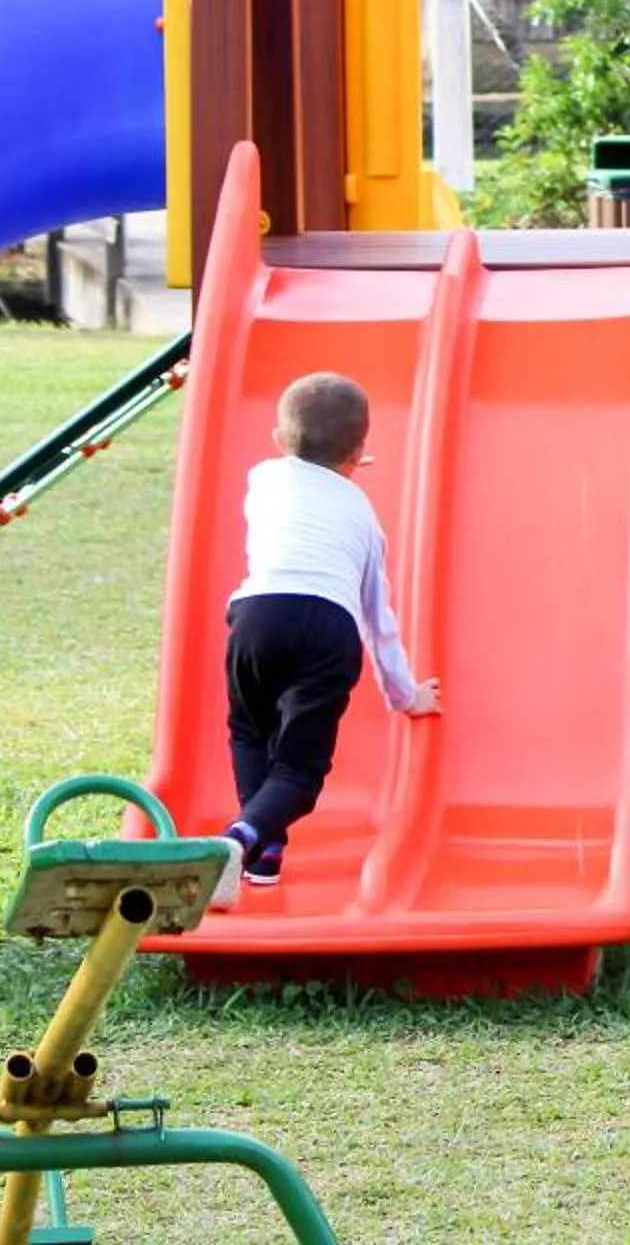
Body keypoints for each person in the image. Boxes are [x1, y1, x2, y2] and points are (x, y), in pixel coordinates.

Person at [215, 371, 438, 901]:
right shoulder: (364, 517)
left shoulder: (262, 479)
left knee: (250, 731)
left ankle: (264, 851)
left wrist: (337, 466)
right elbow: (377, 618)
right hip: (328, 626)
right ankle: (242, 838)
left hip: (256, 615)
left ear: (278, 441)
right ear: (359, 451)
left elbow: (303, 483)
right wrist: (406, 696)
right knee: (300, 767)